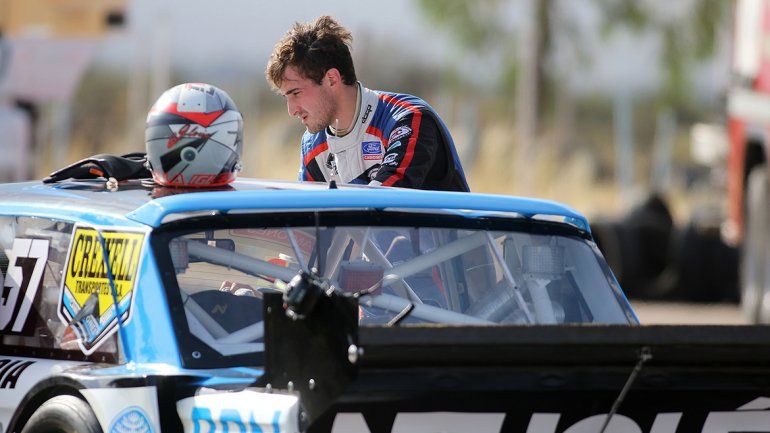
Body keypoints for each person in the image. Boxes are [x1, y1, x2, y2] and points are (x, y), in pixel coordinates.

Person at [265, 15, 470, 192]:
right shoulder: (312, 145)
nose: (291, 110)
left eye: (296, 93)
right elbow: (307, 228)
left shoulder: (408, 118)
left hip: (451, 238)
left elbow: (382, 209)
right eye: (286, 97)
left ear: (332, 79)